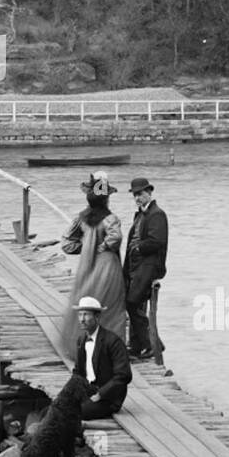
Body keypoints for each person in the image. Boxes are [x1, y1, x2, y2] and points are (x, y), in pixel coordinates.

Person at [58, 171, 127, 354]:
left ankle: (84, 346)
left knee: (86, 303)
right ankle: (112, 350)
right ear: (106, 199)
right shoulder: (111, 219)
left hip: (86, 267)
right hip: (108, 267)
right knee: (111, 307)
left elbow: (66, 244)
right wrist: (103, 246)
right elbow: (115, 238)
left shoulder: (81, 219)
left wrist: (85, 246)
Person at [124, 176, 168, 360]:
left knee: (132, 302)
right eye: (135, 195)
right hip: (135, 266)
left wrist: (138, 247)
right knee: (132, 302)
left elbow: (157, 241)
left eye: (140, 194)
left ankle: (152, 343)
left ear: (149, 192)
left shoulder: (157, 214)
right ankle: (136, 346)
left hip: (149, 266)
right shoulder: (141, 214)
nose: (137, 198)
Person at [72, 297, 132, 419]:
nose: (82, 319)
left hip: (108, 397)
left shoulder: (113, 341)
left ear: (97, 317)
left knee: (77, 412)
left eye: (86, 315)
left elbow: (124, 375)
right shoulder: (81, 340)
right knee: (57, 406)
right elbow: (77, 371)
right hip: (88, 390)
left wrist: (100, 394)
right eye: (80, 315)